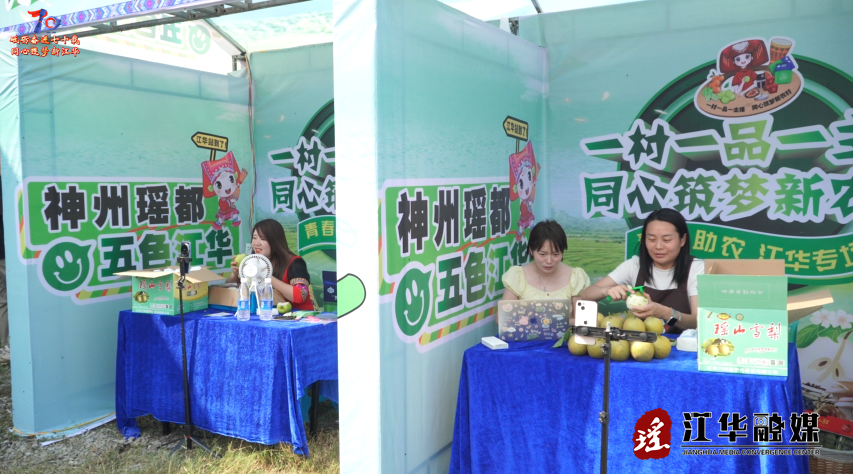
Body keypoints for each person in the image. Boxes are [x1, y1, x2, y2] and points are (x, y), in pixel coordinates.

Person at [580, 208, 703, 333]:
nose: (658, 246)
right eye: (651, 239)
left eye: (666, 240)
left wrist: (666, 313)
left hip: (684, 343)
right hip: (641, 343)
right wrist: (606, 290)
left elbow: (698, 321)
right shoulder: (634, 265)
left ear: (682, 240)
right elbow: (586, 295)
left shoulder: (696, 269)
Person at [501, 220, 590, 320]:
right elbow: (503, 319)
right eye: (542, 254)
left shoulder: (575, 277)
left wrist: (555, 322)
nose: (549, 261)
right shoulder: (517, 276)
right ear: (531, 250)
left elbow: (583, 320)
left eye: (555, 254)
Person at [227, 219, 317, 311]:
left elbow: (300, 296)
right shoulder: (252, 261)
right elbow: (230, 287)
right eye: (254, 238)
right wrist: (235, 274)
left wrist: (266, 276)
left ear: (275, 241)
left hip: (298, 316)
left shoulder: (295, 262)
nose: (256, 243)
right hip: (268, 314)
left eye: (263, 239)